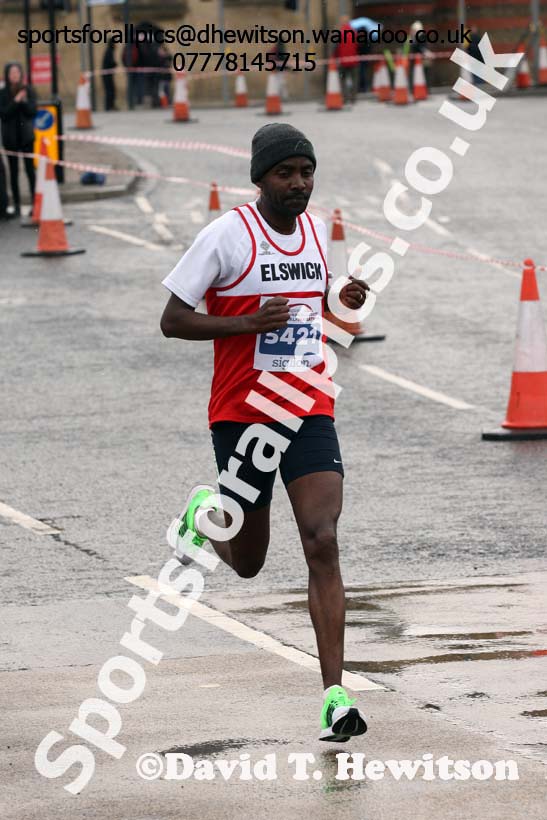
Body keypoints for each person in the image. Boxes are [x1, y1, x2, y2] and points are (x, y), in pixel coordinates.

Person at [160, 123, 370, 742]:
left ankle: (335, 694)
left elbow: (308, 310)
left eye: (307, 172)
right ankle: (204, 512)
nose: (299, 184)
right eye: (287, 173)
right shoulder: (227, 235)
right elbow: (172, 319)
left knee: (322, 537)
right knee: (249, 562)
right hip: (242, 413)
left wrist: (341, 300)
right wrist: (248, 320)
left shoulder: (311, 229)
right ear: (261, 178)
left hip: (306, 405)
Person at [0, 62, 37, 217]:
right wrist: (16, 101)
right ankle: (16, 204)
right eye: (12, 72)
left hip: (26, 137)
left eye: (17, 72)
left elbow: (32, 112)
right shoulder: (3, 93)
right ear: (7, 75)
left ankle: (36, 203)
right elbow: (4, 114)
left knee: (30, 171)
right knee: (13, 173)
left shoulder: (28, 90)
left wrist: (23, 101)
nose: (15, 75)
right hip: (10, 138)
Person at [333, 16, 360, 104]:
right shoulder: (354, 33)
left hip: (343, 61)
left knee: (342, 80)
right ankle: (353, 98)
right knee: (354, 80)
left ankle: (345, 97)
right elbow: (358, 46)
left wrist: (335, 57)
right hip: (353, 60)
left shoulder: (339, 33)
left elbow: (336, 47)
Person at [102, 39, 117, 111]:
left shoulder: (109, 51)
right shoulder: (109, 52)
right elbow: (110, 63)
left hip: (108, 75)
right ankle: (109, 106)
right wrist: (114, 64)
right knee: (109, 91)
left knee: (111, 90)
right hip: (107, 75)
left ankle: (111, 105)